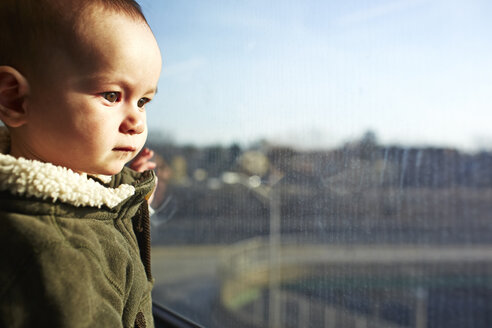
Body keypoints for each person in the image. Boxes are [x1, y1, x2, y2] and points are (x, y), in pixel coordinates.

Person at [0, 0, 162, 327]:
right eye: (113, 95)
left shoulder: (80, 183)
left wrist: (133, 190)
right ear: (15, 100)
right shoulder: (53, 256)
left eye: (143, 101)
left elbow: (107, 213)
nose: (137, 122)